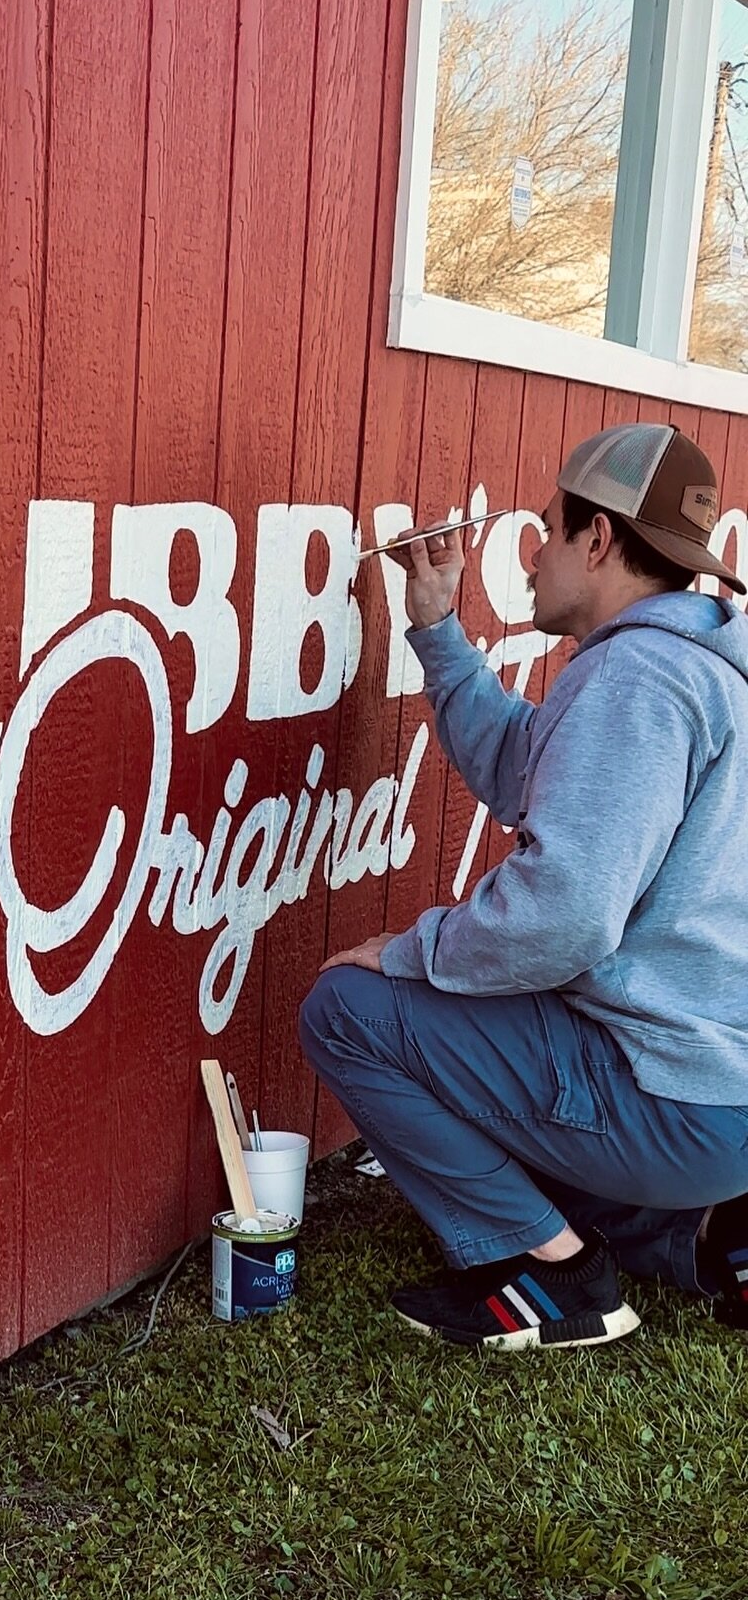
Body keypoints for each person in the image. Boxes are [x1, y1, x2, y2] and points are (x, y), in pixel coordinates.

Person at [298, 422, 748, 1349]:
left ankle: (552, 1279)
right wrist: (437, 629)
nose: (535, 556)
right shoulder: (705, 666)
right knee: (515, 1070)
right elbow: (529, 766)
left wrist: (415, 951)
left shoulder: (639, 680)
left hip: (676, 1097)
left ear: (599, 539)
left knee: (347, 1008)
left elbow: (565, 917)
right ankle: (703, 1236)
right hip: (721, 1095)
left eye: (549, 528)